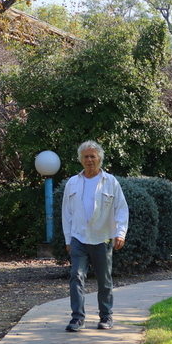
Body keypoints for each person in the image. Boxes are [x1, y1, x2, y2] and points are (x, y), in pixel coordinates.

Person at [61, 140, 129, 331]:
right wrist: (68, 239)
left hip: (103, 237)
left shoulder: (111, 182)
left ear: (99, 158)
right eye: (86, 157)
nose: (89, 160)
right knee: (76, 276)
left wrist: (120, 233)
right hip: (78, 237)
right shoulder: (72, 183)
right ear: (80, 160)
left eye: (93, 156)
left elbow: (121, 210)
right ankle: (77, 318)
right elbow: (66, 213)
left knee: (104, 279)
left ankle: (106, 317)